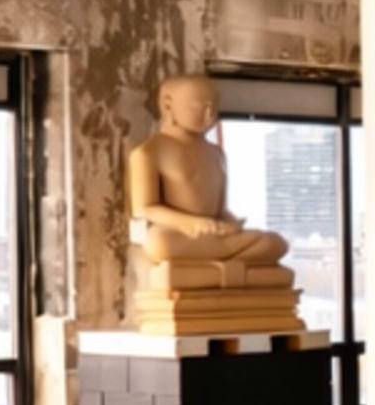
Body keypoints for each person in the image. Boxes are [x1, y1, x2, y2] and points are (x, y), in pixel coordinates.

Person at [125, 75, 294, 271]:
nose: (209, 113)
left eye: (214, 107)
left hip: (214, 238)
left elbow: (220, 211)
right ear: (168, 105)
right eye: (199, 106)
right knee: (159, 243)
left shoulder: (216, 153)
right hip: (180, 235)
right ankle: (225, 263)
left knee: (275, 243)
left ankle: (214, 265)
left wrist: (230, 222)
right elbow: (144, 209)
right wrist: (193, 224)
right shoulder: (149, 152)